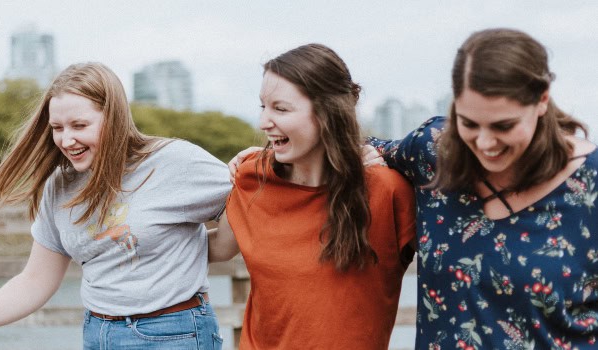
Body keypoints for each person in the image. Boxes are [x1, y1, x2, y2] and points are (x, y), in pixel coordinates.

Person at [233, 28, 598, 349]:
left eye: (503, 125)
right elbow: (350, 148)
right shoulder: (432, 150)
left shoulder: (590, 186)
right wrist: (276, 147)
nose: (485, 143)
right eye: (468, 123)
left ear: (542, 101)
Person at [0, 62, 230, 350]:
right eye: (57, 127)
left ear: (113, 118)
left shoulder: (173, 162)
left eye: (79, 125)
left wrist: (206, 245)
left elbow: (248, 204)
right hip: (98, 332)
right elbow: (35, 281)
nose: (66, 139)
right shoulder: (60, 186)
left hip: (173, 333)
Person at [208, 43, 416, 349]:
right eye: (262, 106)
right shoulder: (253, 178)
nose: (264, 121)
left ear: (327, 113)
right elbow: (216, 248)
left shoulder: (387, 190)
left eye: (280, 108)